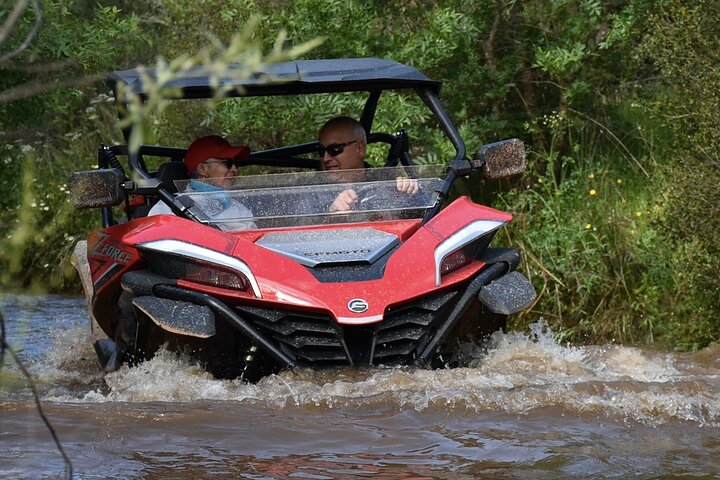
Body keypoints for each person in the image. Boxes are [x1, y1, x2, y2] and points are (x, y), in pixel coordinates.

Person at [148, 135, 256, 230]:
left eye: (235, 163)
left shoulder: (239, 209)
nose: (235, 169)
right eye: (227, 163)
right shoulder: (168, 209)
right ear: (202, 169)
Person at [317, 116, 420, 212]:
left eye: (334, 149)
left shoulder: (387, 180)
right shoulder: (310, 190)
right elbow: (303, 222)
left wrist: (411, 192)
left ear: (359, 148)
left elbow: (427, 210)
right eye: (321, 151)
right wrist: (331, 211)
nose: (326, 158)